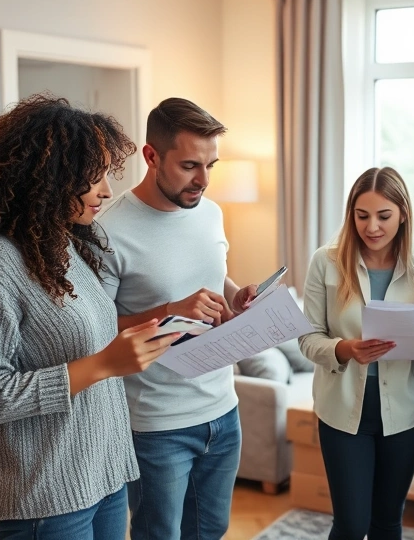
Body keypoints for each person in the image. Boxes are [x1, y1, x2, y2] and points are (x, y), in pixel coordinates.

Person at [0, 94, 181, 539]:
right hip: (45, 497)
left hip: (102, 477)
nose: (107, 190)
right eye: (94, 177)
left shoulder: (66, 246)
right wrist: (103, 364)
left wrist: (132, 342)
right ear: (47, 177)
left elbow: (83, 341)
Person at [98, 97, 257, 540]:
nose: (203, 181)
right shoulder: (108, 229)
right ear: (151, 156)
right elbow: (96, 329)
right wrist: (169, 311)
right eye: (190, 165)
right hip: (156, 423)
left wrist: (235, 296)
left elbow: (216, 278)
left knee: (211, 531)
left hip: (223, 409)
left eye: (211, 165)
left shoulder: (210, 213)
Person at [299, 166, 414, 540]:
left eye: (383, 216)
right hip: (342, 414)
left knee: (387, 522)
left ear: (403, 214)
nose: (371, 226)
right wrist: (345, 349)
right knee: (351, 525)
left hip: (404, 416)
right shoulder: (325, 263)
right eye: (362, 216)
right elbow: (307, 338)